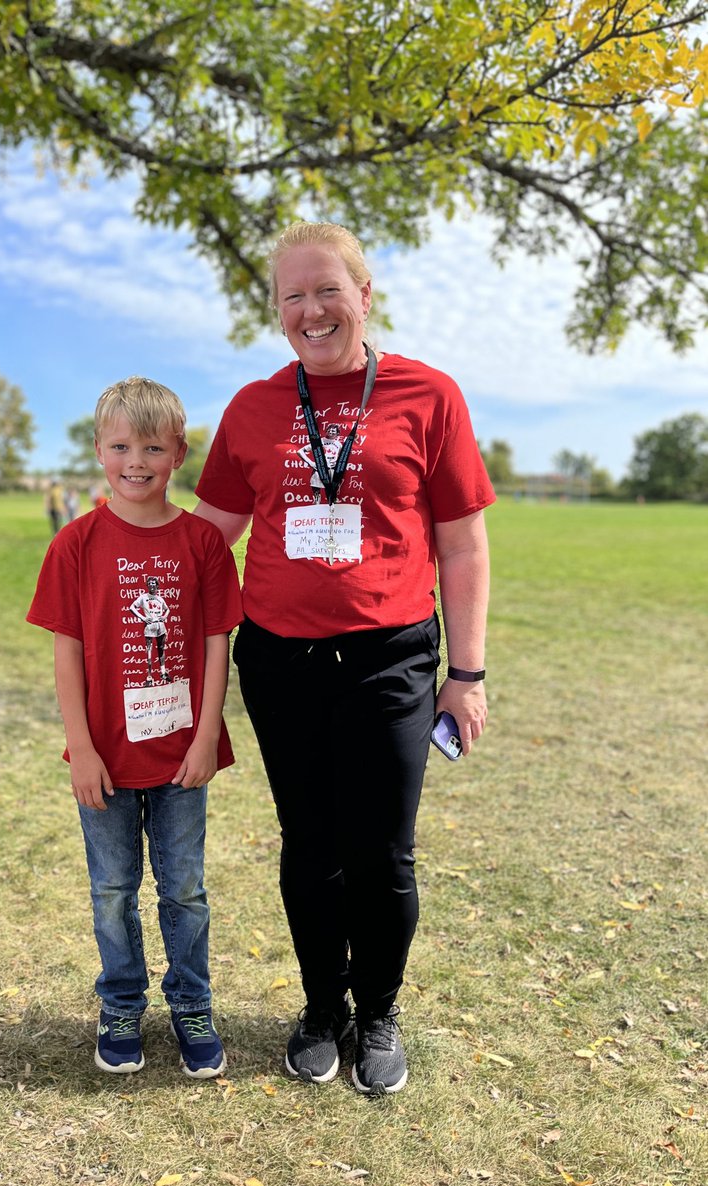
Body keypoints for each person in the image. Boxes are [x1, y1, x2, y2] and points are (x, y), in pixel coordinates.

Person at [194, 221, 495, 1096]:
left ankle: (380, 1012)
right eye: (292, 295)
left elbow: (464, 546)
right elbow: (211, 541)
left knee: (383, 851)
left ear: (365, 296)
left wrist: (466, 675)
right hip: (281, 661)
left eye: (328, 289)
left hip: (390, 660)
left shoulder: (428, 395)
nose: (310, 309)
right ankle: (323, 1007)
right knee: (309, 845)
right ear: (277, 312)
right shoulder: (253, 408)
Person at [27, 377, 243, 1079]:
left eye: (152, 446)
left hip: (182, 754)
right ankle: (121, 1001)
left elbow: (216, 642)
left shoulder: (203, 542)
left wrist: (208, 733)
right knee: (113, 889)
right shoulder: (76, 544)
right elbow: (67, 649)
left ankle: (191, 1002)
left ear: (177, 452)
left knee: (184, 889)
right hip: (106, 761)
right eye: (121, 446)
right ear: (99, 451)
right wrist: (81, 749)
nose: (136, 460)